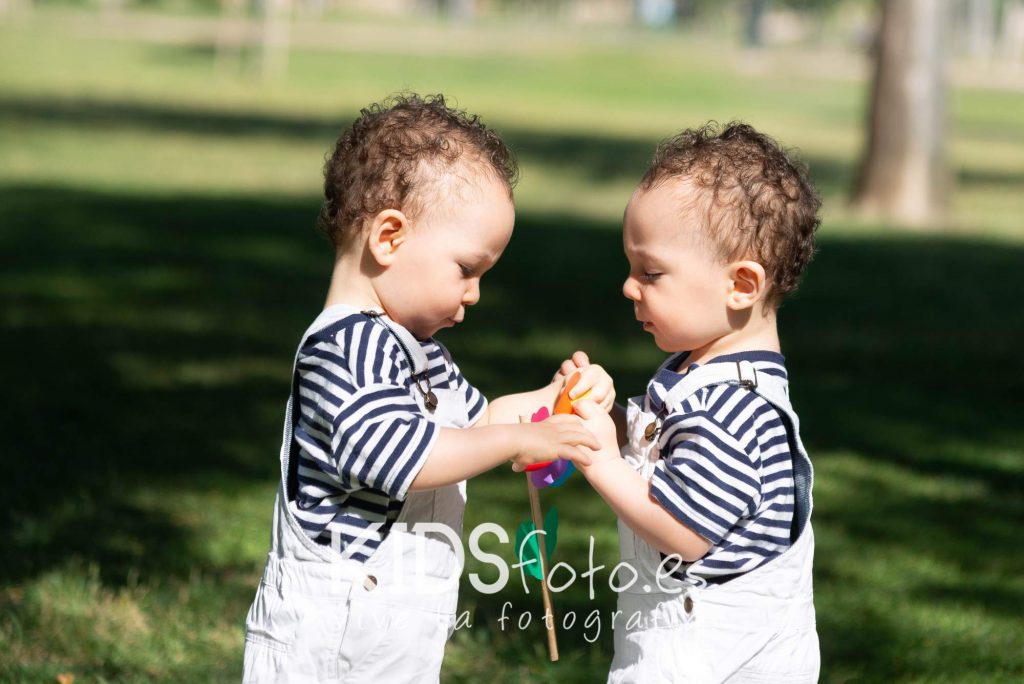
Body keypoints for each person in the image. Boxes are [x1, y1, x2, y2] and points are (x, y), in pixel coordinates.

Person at [242, 93, 612, 683]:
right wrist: (523, 438)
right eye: (466, 270)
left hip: (392, 632)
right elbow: (408, 459)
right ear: (389, 238)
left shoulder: (417, 352)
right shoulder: (344, 349)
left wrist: (554, 401)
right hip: (329, 636)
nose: (475, 295)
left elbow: (475, 427)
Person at [569, 122, 822, 682]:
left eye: (650, 272)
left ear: (741, 285)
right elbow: (670, 465)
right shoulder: (699, 371)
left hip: (712, 656)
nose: (629, 288)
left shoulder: (732, 409)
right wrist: (604, 422)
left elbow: (681, 529)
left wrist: (601, 460)